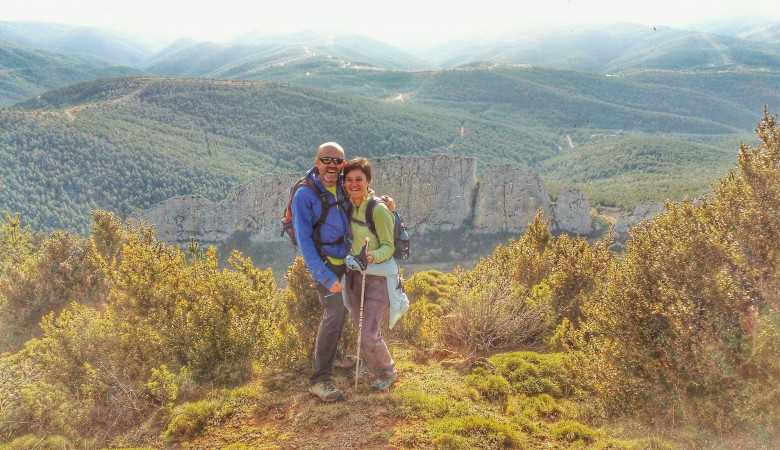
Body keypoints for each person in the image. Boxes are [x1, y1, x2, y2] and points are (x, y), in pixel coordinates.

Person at [291, 142, 351, 402]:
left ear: (343, 165)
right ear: (317, 162)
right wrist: (325, 277)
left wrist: (385, 203)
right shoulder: (304, 196)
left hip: (346, 260)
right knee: (334, 312)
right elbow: (305, 243)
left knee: (345, 310)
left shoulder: (342, 185)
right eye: (326, 160)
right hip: (324, 265)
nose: (332, 166)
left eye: (337, 161)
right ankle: (319, 379)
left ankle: (336, 357)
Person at [342, 157, 399, 391]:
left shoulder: (379, 209)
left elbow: (389, 246)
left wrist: (372, 257)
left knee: (369, 333)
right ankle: (369, 363)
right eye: (349, 180)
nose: (354, 184)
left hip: (378, 280)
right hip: (355, 275)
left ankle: (387, 371)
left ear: (368, 181)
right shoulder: (348, 204)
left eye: (359, 179)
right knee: (360, 325)